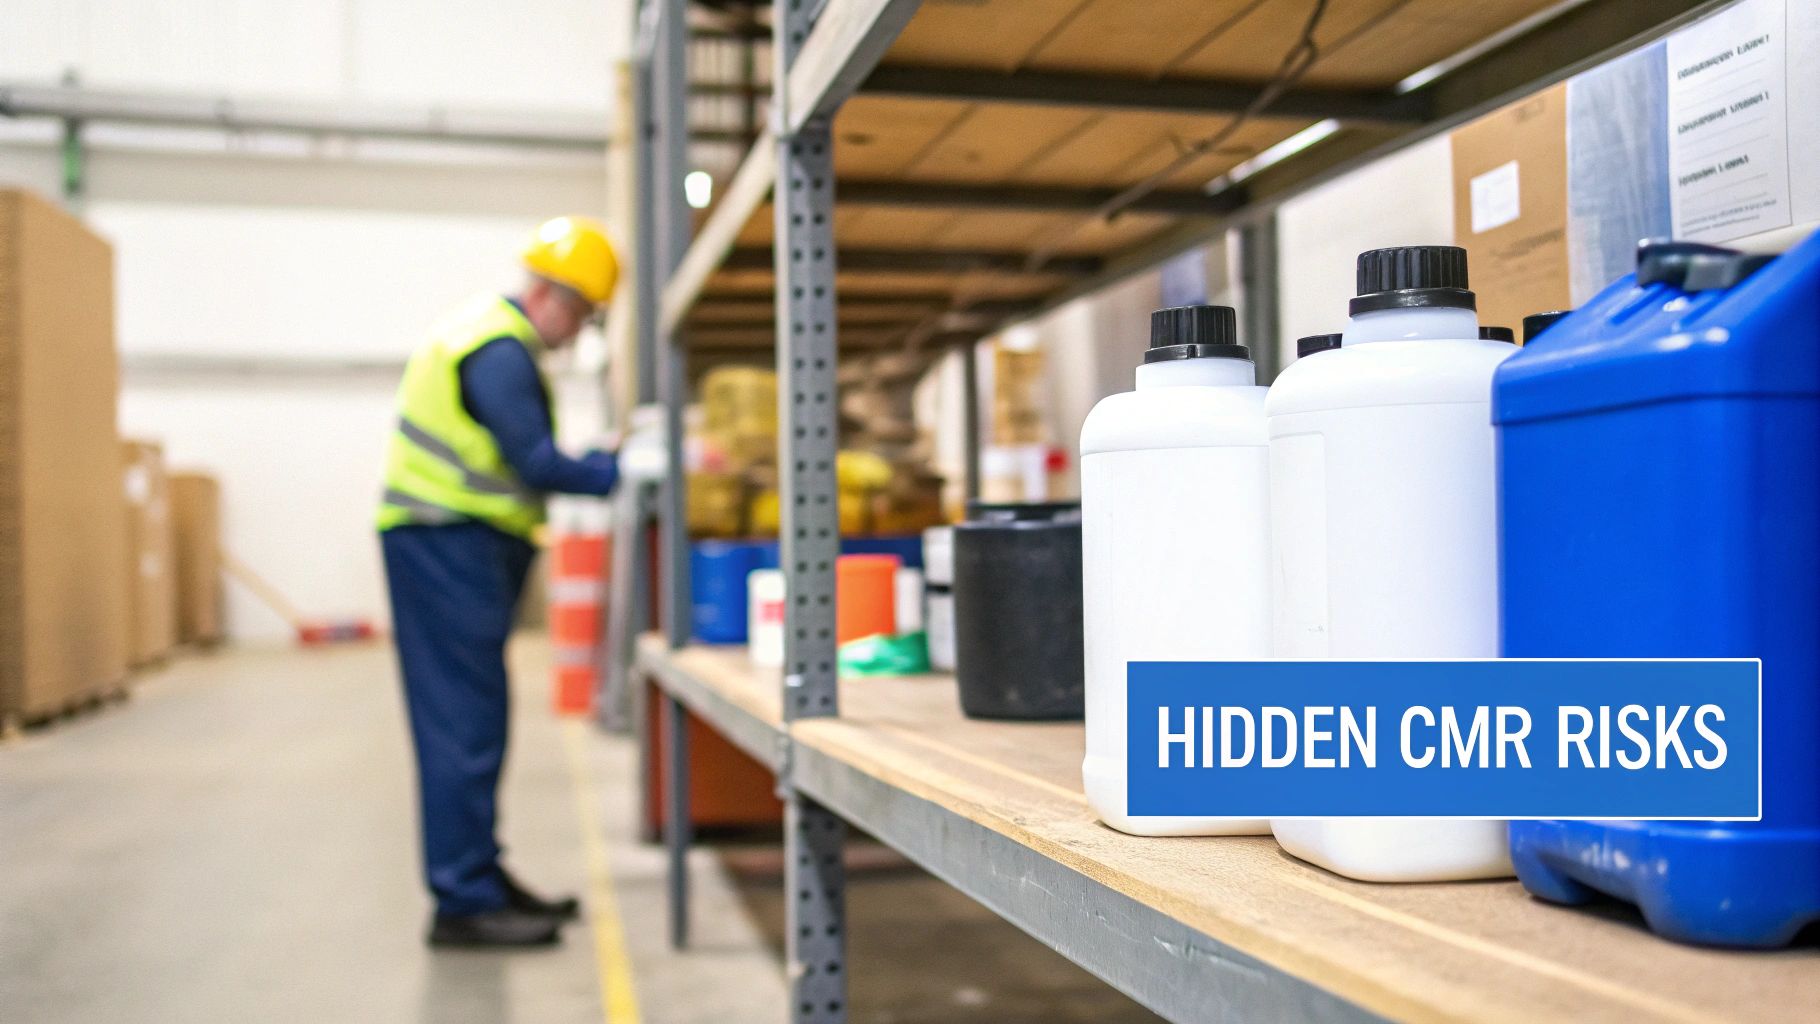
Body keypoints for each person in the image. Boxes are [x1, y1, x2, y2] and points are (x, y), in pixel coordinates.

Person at [377, 216, 621, 948]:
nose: (577, 332)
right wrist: (619, 470)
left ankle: (480, 874)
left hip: (457, 549)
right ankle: (462, 900)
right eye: (579, 313)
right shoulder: (497, 350)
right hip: (445, 547)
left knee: (475, 722)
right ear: (549, 293)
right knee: (462, 727)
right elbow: (536, 462)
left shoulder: (491, 342)